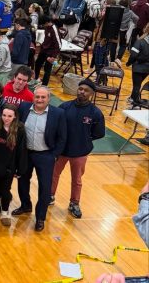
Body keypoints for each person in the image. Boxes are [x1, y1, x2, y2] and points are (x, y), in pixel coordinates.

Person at [14, 86, 67, 232]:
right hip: (26, 153)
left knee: (44, 188)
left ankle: (40, 218)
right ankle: (25, 206)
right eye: (37, 97)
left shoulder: (58, 113)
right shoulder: (24, 107)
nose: (40, 100)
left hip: (45, 155)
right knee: (22, 181)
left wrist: (54, 155)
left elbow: (63, 137)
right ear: (33, 97)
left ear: (49, 99)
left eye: (43, 97)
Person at [51, 79, 105, 219]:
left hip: (80, 152)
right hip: (62, 151)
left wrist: (85, 139)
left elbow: (99, 133)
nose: (82, 91)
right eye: (80, 88)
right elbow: (55, 125)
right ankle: (49, 196)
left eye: (86, 90)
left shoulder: (95, 112)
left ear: (91, 94)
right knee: (53, 175)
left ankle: (74, 203)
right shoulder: (65, 107)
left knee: (77, 180)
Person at [0, 103, 27, 226]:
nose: (6, 118)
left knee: (5, 191)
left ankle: (5, 211)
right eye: (4, 115)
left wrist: (20, 169)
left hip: (9, 167)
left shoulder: (20, 129)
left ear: (15, 116)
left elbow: (21, 151)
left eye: (9, 116)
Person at [127, 24, 149, 105]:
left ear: (145, 29)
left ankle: (135, 103)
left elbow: (133, 55)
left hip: (138, 67)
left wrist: (128, 63)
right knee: (138, 84)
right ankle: (132, 99)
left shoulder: (140, 41)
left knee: (136, 85)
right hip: (147, 69)